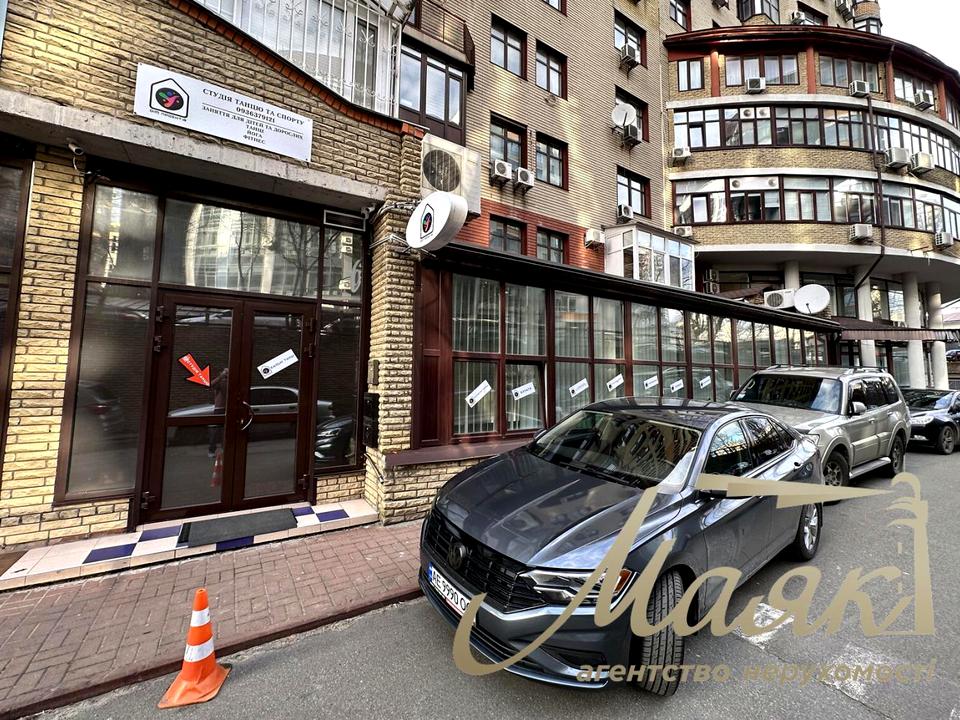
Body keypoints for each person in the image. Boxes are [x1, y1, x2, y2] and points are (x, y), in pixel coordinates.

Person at [207, 368, 228, 458]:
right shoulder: (220, 382)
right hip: (219, 409)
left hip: (228, 408)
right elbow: (210, 385)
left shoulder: (230, 382)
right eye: (225, 372)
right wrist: (220, 377)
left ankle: (224, 448)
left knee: (225, 431)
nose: (227, 374)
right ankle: (211, 450)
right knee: (215, 431)